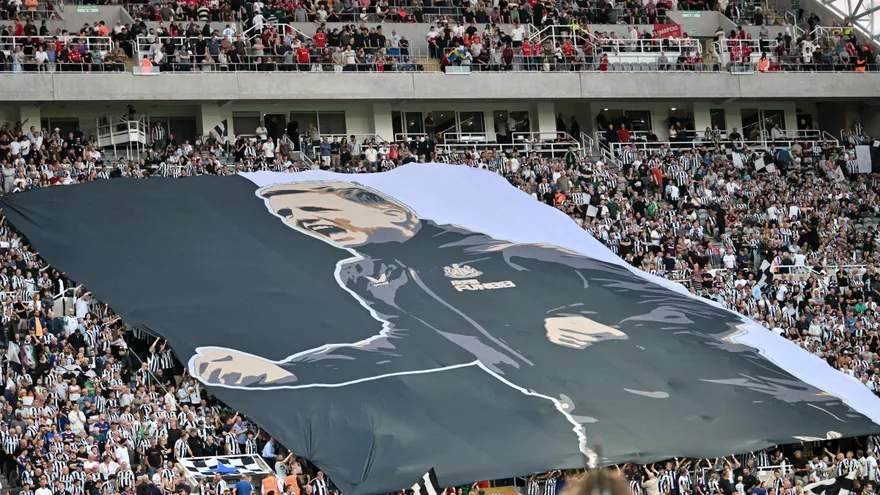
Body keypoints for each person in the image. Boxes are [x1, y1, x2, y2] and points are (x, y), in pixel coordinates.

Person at [189, 180, 875, 462]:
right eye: (296, 223)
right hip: (592, 412)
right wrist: (287, 370)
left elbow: (692, 310)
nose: (314, 227)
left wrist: (616, 330)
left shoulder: (511, 250)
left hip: (720, 386)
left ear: (382, 205)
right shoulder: (371, 275)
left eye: (316, 211)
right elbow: (404, 346)